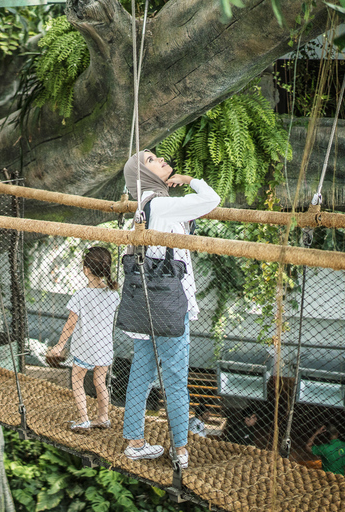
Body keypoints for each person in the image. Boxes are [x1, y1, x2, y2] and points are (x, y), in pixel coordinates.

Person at [121, 150, 220, 468]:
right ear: (142, 174)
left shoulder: (144, 206)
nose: (160, 159)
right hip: (169, 302)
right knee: (176, 377)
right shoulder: (162, 204)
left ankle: (135, 441)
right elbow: (211, 199)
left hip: (144, 302)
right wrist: (191, 180)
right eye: (151, 160)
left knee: (141, 373)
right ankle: (180, 450)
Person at [46, 247, 120, 431]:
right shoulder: (113, 295)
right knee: (100, 382)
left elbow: (70, 324)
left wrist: (59, 345)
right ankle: (103, 417)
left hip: (84, 347)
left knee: (77, 380)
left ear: (86, 270)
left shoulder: (80, 295)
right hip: (103, 347)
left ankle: (84, 419)